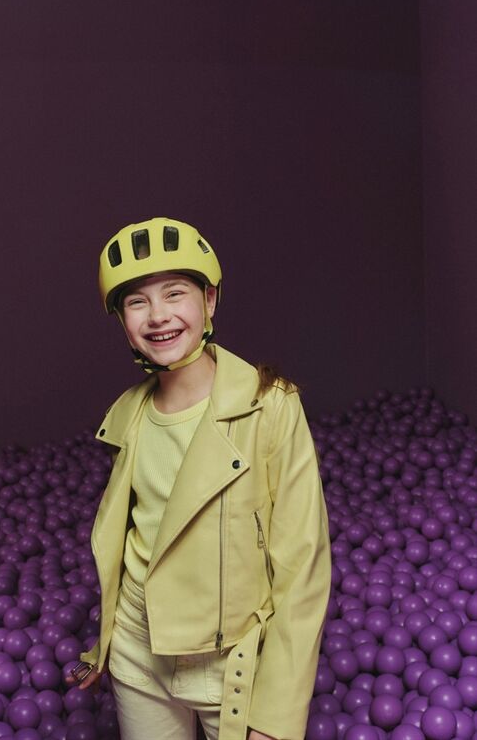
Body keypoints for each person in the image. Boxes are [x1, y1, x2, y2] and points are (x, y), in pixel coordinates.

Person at [67, 217, 331, 740]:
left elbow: (303, 567)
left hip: (228, 665)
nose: (158, 315)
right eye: (136, 302)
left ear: (209, 301)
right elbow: (133, 540)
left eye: (175, 293)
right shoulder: (129, 415)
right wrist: (106, 643)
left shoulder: (270, 405)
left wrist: (275, 717)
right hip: (138, 656)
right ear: (121, 320)